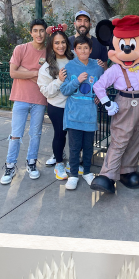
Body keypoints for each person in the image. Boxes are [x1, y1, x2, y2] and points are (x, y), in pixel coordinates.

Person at [91, 15, 139, 194]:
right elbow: (99, 86)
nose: (129, 50)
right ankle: (107, 175)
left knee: (137, 138)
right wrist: (107, 103)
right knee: (120, 139)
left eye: (133, 45)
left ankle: (127, 170)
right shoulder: (115, 69)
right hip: (125, 103)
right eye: (124, 46)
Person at [0, 18, 47, 185]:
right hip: (20, 98)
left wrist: (24, 71)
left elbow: (49, 76)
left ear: (45, 32)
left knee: (35, 134)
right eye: (35, 31)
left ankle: (31, 163)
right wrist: (35, 74)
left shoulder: (48, 53)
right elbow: (13, 73)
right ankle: (10, 166)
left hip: (39, 99)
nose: (39, 34)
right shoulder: (21, 49)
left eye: (42, 30)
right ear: (30, 32)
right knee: (15, 135)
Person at [59, 35, 104, 190]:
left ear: (91, 50)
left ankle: (86, 172)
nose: (83, 50)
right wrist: (77, 80)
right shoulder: (69, 67)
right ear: (75, 50)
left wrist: (99, 96)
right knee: (74, 147)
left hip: (90, 115)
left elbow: (103, 86)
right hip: (73, 115)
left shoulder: (97, 67)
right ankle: (72, 175)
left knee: (88, 146)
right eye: (80, 48)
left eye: (86, 48)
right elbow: (64, 90)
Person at [37, 25, 73, 180]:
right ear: (52, 45)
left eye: (63, 42)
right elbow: (46, 92)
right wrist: (59, 80)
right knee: (60, 135)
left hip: (74, 106)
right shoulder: (46, 67)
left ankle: (74, 161)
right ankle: (59, 164)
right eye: (57, 43)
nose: (61, 46)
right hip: (57, 107)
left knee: (75, 135)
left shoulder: (74, 60)